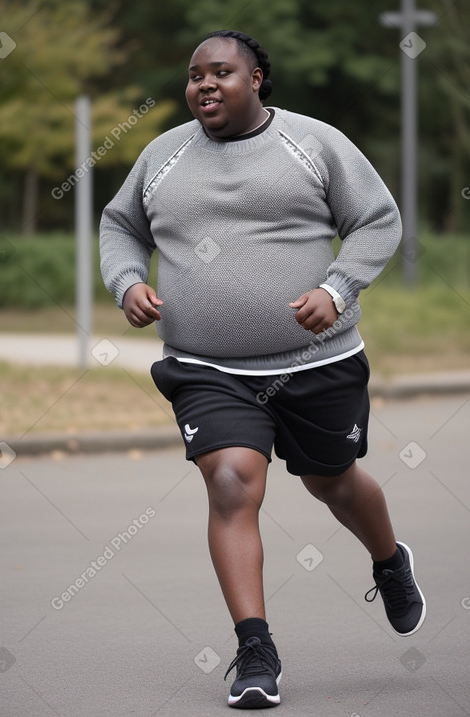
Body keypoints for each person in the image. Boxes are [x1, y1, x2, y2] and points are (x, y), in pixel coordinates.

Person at [100, 29, 426, 710]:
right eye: (195, 76)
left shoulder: (313, 144)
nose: (205, 85)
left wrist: (338, 288)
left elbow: (377, 219)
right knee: (230, 481)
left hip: (319, 361)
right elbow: (119, 224)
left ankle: (391, 560)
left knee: (331, 482)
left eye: (221, 72)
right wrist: (127, 279)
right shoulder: (163, 155)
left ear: (257, 79)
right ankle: (255, 648)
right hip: (204, 366)